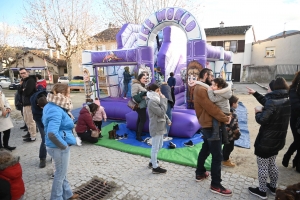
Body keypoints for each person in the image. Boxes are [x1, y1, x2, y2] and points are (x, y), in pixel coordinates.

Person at [247, 78, 291, 199]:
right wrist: (255, 93)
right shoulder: (286, 99)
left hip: (266, 141)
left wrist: (257, 112)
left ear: (274, 88)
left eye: (269, 87)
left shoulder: (272, 102)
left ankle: (261, 191)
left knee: (262, 166)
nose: (267, 89)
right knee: (272, 164)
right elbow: (268, 102)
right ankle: (273, 187)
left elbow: (262, 119)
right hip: (277, 141)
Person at [193, 67, 232, 197]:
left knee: (206, 149)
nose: (213, 79)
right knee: (217, 156)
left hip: (209, 124)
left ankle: (200, 172)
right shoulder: (201, 89)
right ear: (205, 75)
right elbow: (211, 108)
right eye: (211, 76)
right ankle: (216, 184)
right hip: (210, 125)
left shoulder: (204, 88)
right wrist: (225, 118)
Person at [42, 83, 78, 200]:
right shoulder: (55, 109)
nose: (70, 95)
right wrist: (63, 146)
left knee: (62, 173)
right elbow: (52, 133)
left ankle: (68, 194)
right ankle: (56, 198)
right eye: (69, 92)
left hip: (55, 146)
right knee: (59, 175)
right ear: (62, 94)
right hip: (58, 147)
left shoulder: (53, 104)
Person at [196, 77, 232, 144]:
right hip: (225, 110)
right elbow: (207, 86)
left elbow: (213, 99)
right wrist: (197, 82)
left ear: (220, 87)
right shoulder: (222, 92)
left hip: (223, 110)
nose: (212, 87)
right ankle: (226, 139)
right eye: (212, 84)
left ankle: (215, 135)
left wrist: (209, 91)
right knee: (223, 126)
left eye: (214, 85)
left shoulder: (221, 94)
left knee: (215, 120)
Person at [147, 83, 171, 174]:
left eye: (159, 90)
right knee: (155, 147)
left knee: (159, 145)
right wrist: (164, 99)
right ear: (153, 91)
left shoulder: (156, 99)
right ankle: (155, 167)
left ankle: (151, 161)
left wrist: (168, 120)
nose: (160, 92)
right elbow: (161, 112)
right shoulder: (152, 101)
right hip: (156, 126)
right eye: (158, 91)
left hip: (160, 126)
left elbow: (163, 113)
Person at [282, 71, 300, 173]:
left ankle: (295, 160)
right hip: (296, 120)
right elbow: (295, 106)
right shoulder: (293, 90)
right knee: (298, 141)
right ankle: (290, 157)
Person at [30, 89, 48, 168]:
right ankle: (42, 158)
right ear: (37, 104)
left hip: (48, 119)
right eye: (41, 107)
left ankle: (54, 155)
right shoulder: (34, 104)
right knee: (44, 138)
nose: (43, 109)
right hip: (40, 120)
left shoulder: (48, 98)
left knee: (53, 136)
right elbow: (36, 117)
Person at [222, 95, 241, 167]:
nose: (238, 104)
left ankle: (223, 157)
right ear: (233, 104)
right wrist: (238, 133)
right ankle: (225, 160)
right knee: (229, 147)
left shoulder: (224, 109)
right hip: (229, 135)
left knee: (224, 146)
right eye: (237, 103)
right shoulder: (233, 114)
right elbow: (234, 126)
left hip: (222, 132)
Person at [19, 68, 37, 142]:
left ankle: (33, 136)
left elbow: (27, 92)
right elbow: (20, 92)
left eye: (24, 73)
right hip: (24, 103)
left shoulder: (31, 80)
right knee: (26, 120)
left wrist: (23, 90)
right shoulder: (23, 81)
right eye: (21, 73)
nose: (23, 74)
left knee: (30, 120)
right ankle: (29, 133)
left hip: (30, 103)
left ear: (27, 72)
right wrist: (22, 88)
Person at [131, 73, 148, 141]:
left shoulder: (142, 85)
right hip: (138, 105)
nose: (145, 79)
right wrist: (142, 96)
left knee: (140, 118)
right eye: (143, 78)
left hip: (142, 105)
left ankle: (138, 133)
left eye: (145, 78)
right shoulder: (136, 85)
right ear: (139, 79)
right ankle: (138, 135)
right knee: (143, 119)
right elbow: (134, 95)